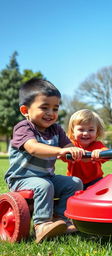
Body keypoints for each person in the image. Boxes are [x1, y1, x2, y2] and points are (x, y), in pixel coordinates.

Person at [4, 78, 84, 243]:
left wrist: (76, 152)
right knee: (44, 186)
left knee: (74, 183)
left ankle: (61, 219)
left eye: (55, 108)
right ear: (25, 110)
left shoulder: (56, 129)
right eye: (44, 107)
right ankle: (41, 225)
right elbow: (33, 148)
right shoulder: (23, 128)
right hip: (22, 178)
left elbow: (68, 146)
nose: (51, 113)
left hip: (46, 177)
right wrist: (61, 151)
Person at [66, 109, 108, 190]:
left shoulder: (97, 145)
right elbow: (62, 154)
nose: (86, 133)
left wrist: (100, 152)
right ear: (73, 131)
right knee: (71, 196)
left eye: (91, 130)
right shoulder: (71, 144)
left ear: (97, 132)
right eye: (81, 130)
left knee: (101, 190)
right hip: (74, 181)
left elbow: (107, 153)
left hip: (95, 180)